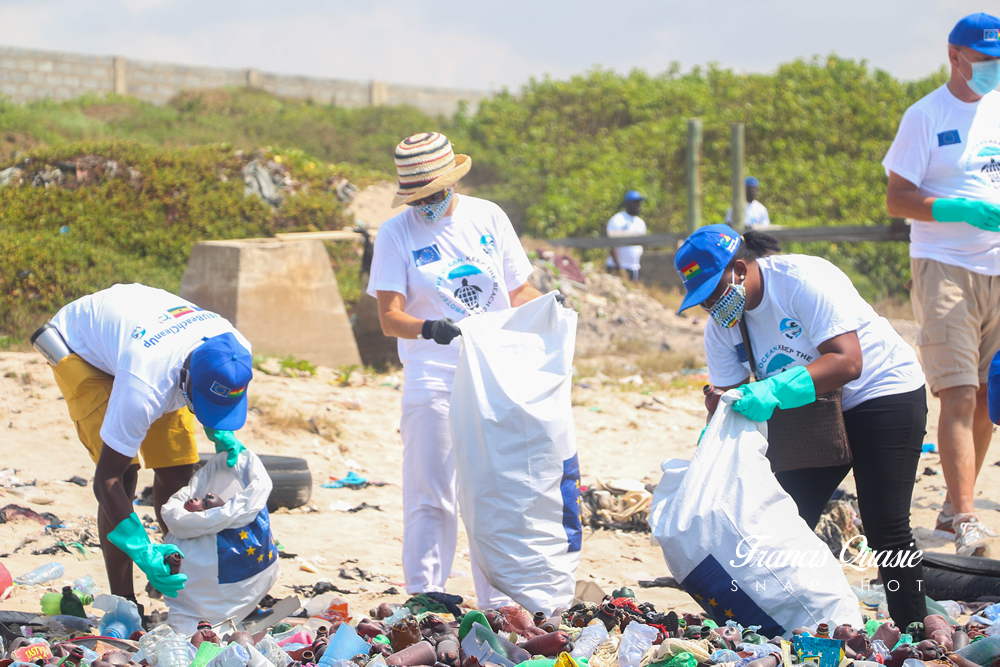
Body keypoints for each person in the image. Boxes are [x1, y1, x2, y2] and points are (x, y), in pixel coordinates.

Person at [675, 225, 928, 627]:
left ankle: (915, 632)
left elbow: (848, 361)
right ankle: (793, 624)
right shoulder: (722, 327)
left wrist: (772, 388)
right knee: (785, 520)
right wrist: (712, 442)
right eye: (701, 299)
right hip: (814, 411)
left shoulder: (802, 280)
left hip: (880, 392)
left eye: (714, 292)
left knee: (886, 527)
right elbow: (728, 400)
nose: (710, 305)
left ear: (739, 269)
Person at [368, 132, 545, 607]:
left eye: (434, 194)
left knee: (495, 489)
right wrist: (429, 328)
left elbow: (518, 292)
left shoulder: (488, 216)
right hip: (432, 376)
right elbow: (389, 317)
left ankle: (500, 600)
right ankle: (426, 594)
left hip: (493, 374)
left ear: (452, 183)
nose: (426, 205)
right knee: (431, 491)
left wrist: (550, 308)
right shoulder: (396, 233)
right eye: (418, 198)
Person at [33, 283, 253, 612]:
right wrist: (141, 548)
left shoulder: (235, 348)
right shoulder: (145, 386)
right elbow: (106, 479)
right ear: (185, 380)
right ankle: (125, 602)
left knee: (178, 469)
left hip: (144, 341)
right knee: (124, 478)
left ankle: (177, 570)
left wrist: (219, 429)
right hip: (82, 349)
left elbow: (216, 389)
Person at [882, 12, 1000, 556]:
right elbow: (897, 197)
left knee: (989, 396)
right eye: (985, 60)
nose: (993, 69)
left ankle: (954, 505)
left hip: (997, 265)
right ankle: (970, 518)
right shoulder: (925, 115)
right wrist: (956, 209)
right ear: (955, 57)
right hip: (944, 265)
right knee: (958, 390)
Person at [605, 190, 648, 280]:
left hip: (634, 268)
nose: (637, 205)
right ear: (628, 204)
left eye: (638, 203)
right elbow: (612, 245)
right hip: (617, 268)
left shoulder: (640, 223)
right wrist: (619, 268)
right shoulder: (618, 219)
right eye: (635, 203)